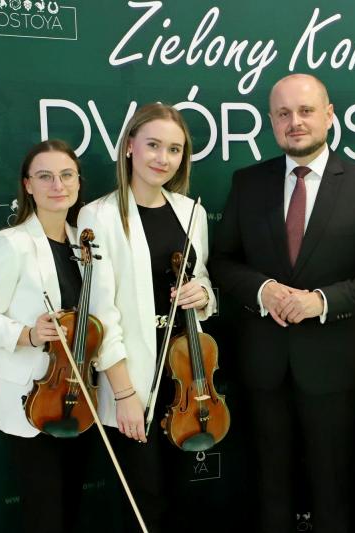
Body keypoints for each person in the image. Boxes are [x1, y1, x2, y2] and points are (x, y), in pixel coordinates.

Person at [210, 73, 355, 533]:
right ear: (271, 121)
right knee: (269, 494)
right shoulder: (247, 182)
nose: (294, 121)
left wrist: (321, 301)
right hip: (262, 369)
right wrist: (263, 291)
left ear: (329, 115)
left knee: (333, 495)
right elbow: (222, 262)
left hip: (334, 370)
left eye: (305, 111)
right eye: (283, 113)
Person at [78, 103, 216, 532]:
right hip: (133, 380)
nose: (163, 158)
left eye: (174, 149)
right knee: (143, 504)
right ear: (129, 147)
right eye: (153, 145)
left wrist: (202, 294)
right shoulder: (98, 215)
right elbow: (100, 312)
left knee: (181, 498)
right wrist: (124, 394)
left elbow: (203, 280)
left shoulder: (191, 211)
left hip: (187, 378)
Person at [0, 139, 90, 533]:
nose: (58, 185)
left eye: (66, 175)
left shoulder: (86, 243)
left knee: (72, 503)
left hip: (81, 394)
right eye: (45, 176)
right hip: (32, 397)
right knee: (45, 512)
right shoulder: (11, 243)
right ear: (28, 185)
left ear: (78, 182)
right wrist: (28, 333)